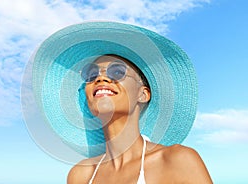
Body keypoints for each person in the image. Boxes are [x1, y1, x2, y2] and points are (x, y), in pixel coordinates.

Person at [21, 21, 212, 183]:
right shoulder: (81, 175)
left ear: (143, 94)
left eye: (117, 72)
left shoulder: (177, 161)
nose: (101, 79)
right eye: (91, 74)